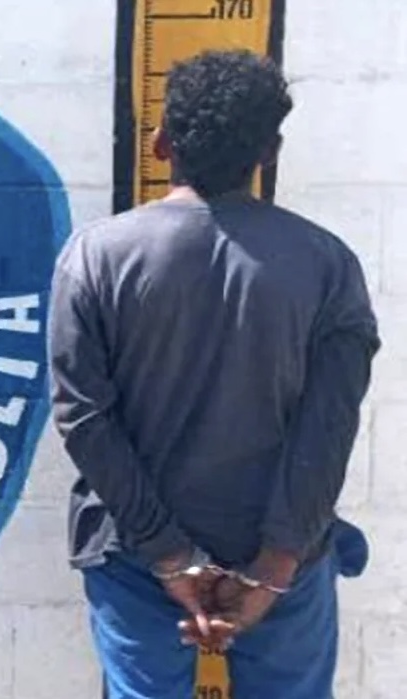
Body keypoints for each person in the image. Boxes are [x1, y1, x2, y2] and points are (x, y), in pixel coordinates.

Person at [46, 49, 381, 698]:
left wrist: (169, 555)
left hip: (136, 557)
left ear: (160, 142)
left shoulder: (94, 258)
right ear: (269, 151)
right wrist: (274, 565)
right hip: (283, 558)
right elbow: (330, 425)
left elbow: (82, 417)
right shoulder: (327, 264)